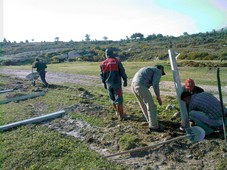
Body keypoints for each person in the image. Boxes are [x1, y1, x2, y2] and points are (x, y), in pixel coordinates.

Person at [131, 65, 166, 132]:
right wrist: (158, 97)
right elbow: (155, 83)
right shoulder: (158, 71)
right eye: (161, 74)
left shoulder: (147, 69)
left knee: (143, 105)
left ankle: (151, 122)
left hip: (133, 85)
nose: (160, 75)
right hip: (140, 85)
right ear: (161, 69)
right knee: (151, 106)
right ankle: (154, 127)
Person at [100, 49, 128, 120]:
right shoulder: (117, 61)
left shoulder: (102, 63)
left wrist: (104, 84)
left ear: (106, 54)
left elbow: (102, 76)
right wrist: (125, 80)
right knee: (119, 100)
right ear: (112, 54)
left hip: (108, 84)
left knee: (113, 99)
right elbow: (122, 71)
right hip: (116, 84)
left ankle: (117, 112)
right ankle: (121, 116)